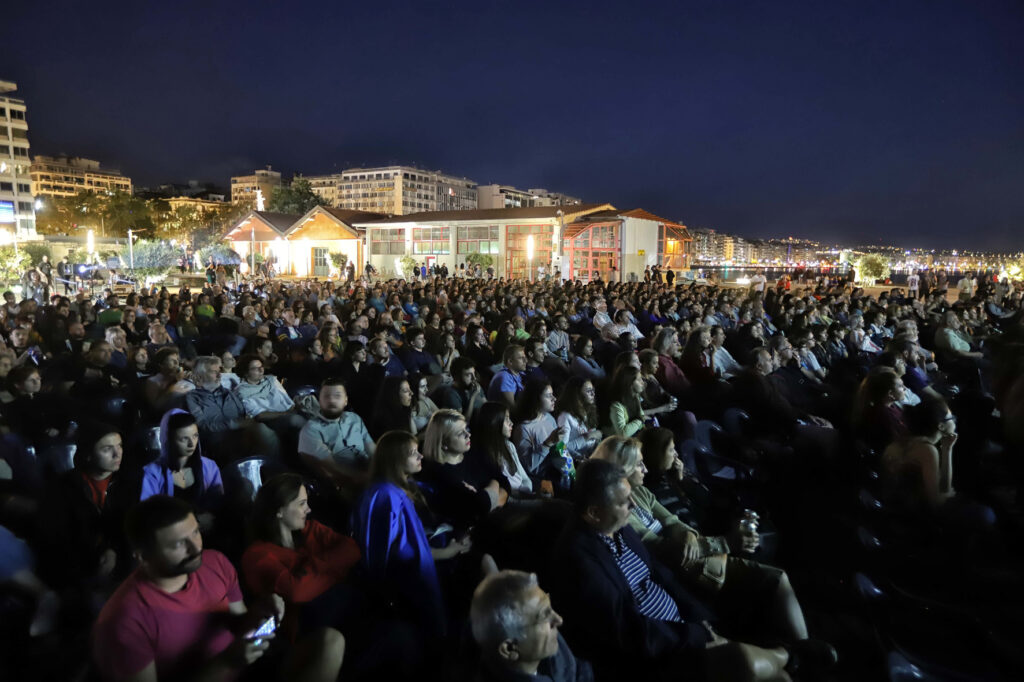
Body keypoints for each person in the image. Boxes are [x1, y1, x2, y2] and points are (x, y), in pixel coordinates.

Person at [550, 459, 833, 681]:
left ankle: (788, 660)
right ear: (594, 513)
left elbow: (661, 575)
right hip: (656, 655)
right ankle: (792, 652)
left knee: (775, 676)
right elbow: (629, 631)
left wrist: (700, 618)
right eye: (624, 502)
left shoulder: (618, 528)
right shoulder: (578, 559)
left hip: (682, 629)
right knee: (742, 660)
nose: (633, 506)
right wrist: (695, 635)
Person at [93, 495, 344, 682]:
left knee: (330, 641)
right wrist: (226, 662)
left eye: (196, 533)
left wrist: (258, 613)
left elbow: (238, 623)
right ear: (143, 556)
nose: (195, 549)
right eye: (180, 544)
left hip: (248, 668)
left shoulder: (214, 563)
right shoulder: (124, 620)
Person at [352, 430, 460, 638]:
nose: (420, 457)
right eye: (413, 453)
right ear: (395, 459)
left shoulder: (402, 488)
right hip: (405, 584)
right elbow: (385, 551)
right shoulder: (384, 495)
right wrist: (447, 552)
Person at [470, 569, 593, 682]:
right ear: (510, 648)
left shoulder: (549, 648)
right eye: (544, 616)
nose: (559, 620)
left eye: (549, 608)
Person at [420, 409, 506, 529]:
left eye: (467, 429)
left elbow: (505, 483)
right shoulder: (438, 471)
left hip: (498, 514)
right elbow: (480, 505)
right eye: (461, 433)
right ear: (443, 443)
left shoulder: (474, 452)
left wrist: (492, 493)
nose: (468, 435)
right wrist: (495, 484)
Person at [140, 410, 224, 528]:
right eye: (184, 439)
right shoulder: (152, 472)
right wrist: (194, 521)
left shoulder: (209, 466)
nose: (192, 444)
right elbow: (149, 512)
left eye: (195, 436)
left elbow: (217, 502)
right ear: (168, 440)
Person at [298, 378, 376, 480]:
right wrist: (367, 479)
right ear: (319, 400)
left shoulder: (354, 418)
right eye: (326, 396)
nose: (331, 400)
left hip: (368, 469)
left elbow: (372, 449)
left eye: (337, 396)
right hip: (346, 480)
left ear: (346, 400)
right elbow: (332, 468)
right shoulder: (312, 429)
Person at [474, 401, 533, 496]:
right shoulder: (484, 454)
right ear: (494, 421)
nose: (511, 423)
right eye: (506, 419)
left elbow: (524, 478)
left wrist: (527, 491)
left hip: (522, 494)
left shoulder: (509, 446)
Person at [512, 380, 568, 478]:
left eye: (553, 394)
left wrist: (571, 464)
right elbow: (527, 466)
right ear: (536, 399)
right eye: (548, 396)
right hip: (542, 480)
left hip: (560, 472)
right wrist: (548, 443)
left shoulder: (549, 417)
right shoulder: (523, 428)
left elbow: (560, 448)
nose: (554, 398)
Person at [554, 377, 603, 461]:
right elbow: (561, 448)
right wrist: (587, 437)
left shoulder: (587, 411)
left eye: (593, 390)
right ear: (577, 394)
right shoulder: (565, 417)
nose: (593, 394)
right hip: (577, 464)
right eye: (588, 391)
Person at [431, 356, 485, 422]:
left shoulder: (473, 385)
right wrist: (473, 397)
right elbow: (463, 422)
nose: (474, 378)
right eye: (468, 375)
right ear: (457, 377)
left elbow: (485, 404)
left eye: (474, 373)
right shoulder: (452, 393)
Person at [487, 344, 527, 408]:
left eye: (525, 358)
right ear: (510, 361)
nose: (525, 361)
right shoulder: (504, 377)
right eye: (521, 358)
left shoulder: (518, 374)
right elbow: (513, 407)